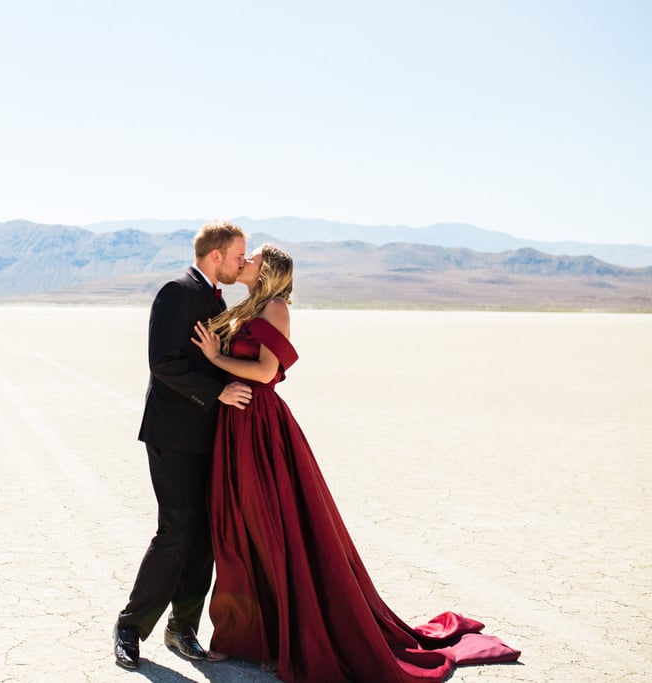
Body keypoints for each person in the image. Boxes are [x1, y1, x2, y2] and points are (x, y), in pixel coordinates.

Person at [191, 244, 521, 683]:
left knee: (272, 529)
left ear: (267, 271)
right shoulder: (248, 305)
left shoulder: (274, 307)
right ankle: (248, 638)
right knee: (239, 528)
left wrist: (215, 358)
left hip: (261, 427)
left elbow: (267, 372)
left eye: (251, 258)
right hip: (235, 423)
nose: (244, 261)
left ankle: (284, 640)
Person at [113, 220, 254, 670]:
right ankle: (130, 628)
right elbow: (163, 362)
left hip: (210, 435)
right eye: (238, 256)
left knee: (205, 536)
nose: (241, 263)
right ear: (216, 256)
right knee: (175, 532)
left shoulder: (216, 297)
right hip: (173, 434)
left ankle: (182, 628)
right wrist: (217, 392)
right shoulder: (176, 292)